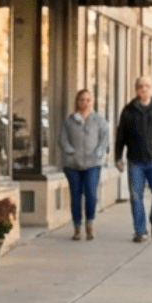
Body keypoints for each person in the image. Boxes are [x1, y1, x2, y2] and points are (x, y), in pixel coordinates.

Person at [114, 75, 152, 242]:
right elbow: (120, 135)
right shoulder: (129, 110)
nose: (144, 89)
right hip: (135, 161)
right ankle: (140, 232)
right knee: (136, 197)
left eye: (147, 86)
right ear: (136, 89)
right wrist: (118, 157)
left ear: (151, 88)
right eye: (140, 86)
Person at [59, 88, 108, 241]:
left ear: (92, 102)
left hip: (93, 164)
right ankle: (77, 228)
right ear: (77, 102)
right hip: (73, 165)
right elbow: (62, 139)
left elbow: (105, 138)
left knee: (91, 194)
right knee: (76, 196)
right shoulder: (69, 120)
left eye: (88, 100)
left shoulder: (98, 120)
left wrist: (99, 152)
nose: (85, 103)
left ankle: (90, 224)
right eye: (82, 100)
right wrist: (70, 151)